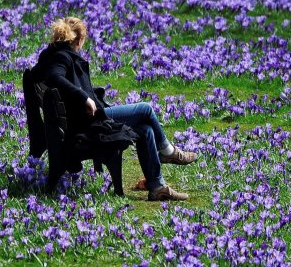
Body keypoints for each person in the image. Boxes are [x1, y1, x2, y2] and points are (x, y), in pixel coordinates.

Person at [30, 17, 197, 201]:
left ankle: (157, 187)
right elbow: (55, 77)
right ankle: (169, 152)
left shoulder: (54, 55)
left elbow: (48, 74)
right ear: (79, 40)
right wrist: (83, 96)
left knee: (145, 129)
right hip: (89, 124)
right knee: (145, 109)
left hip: (81, 120)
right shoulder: (62, 57)